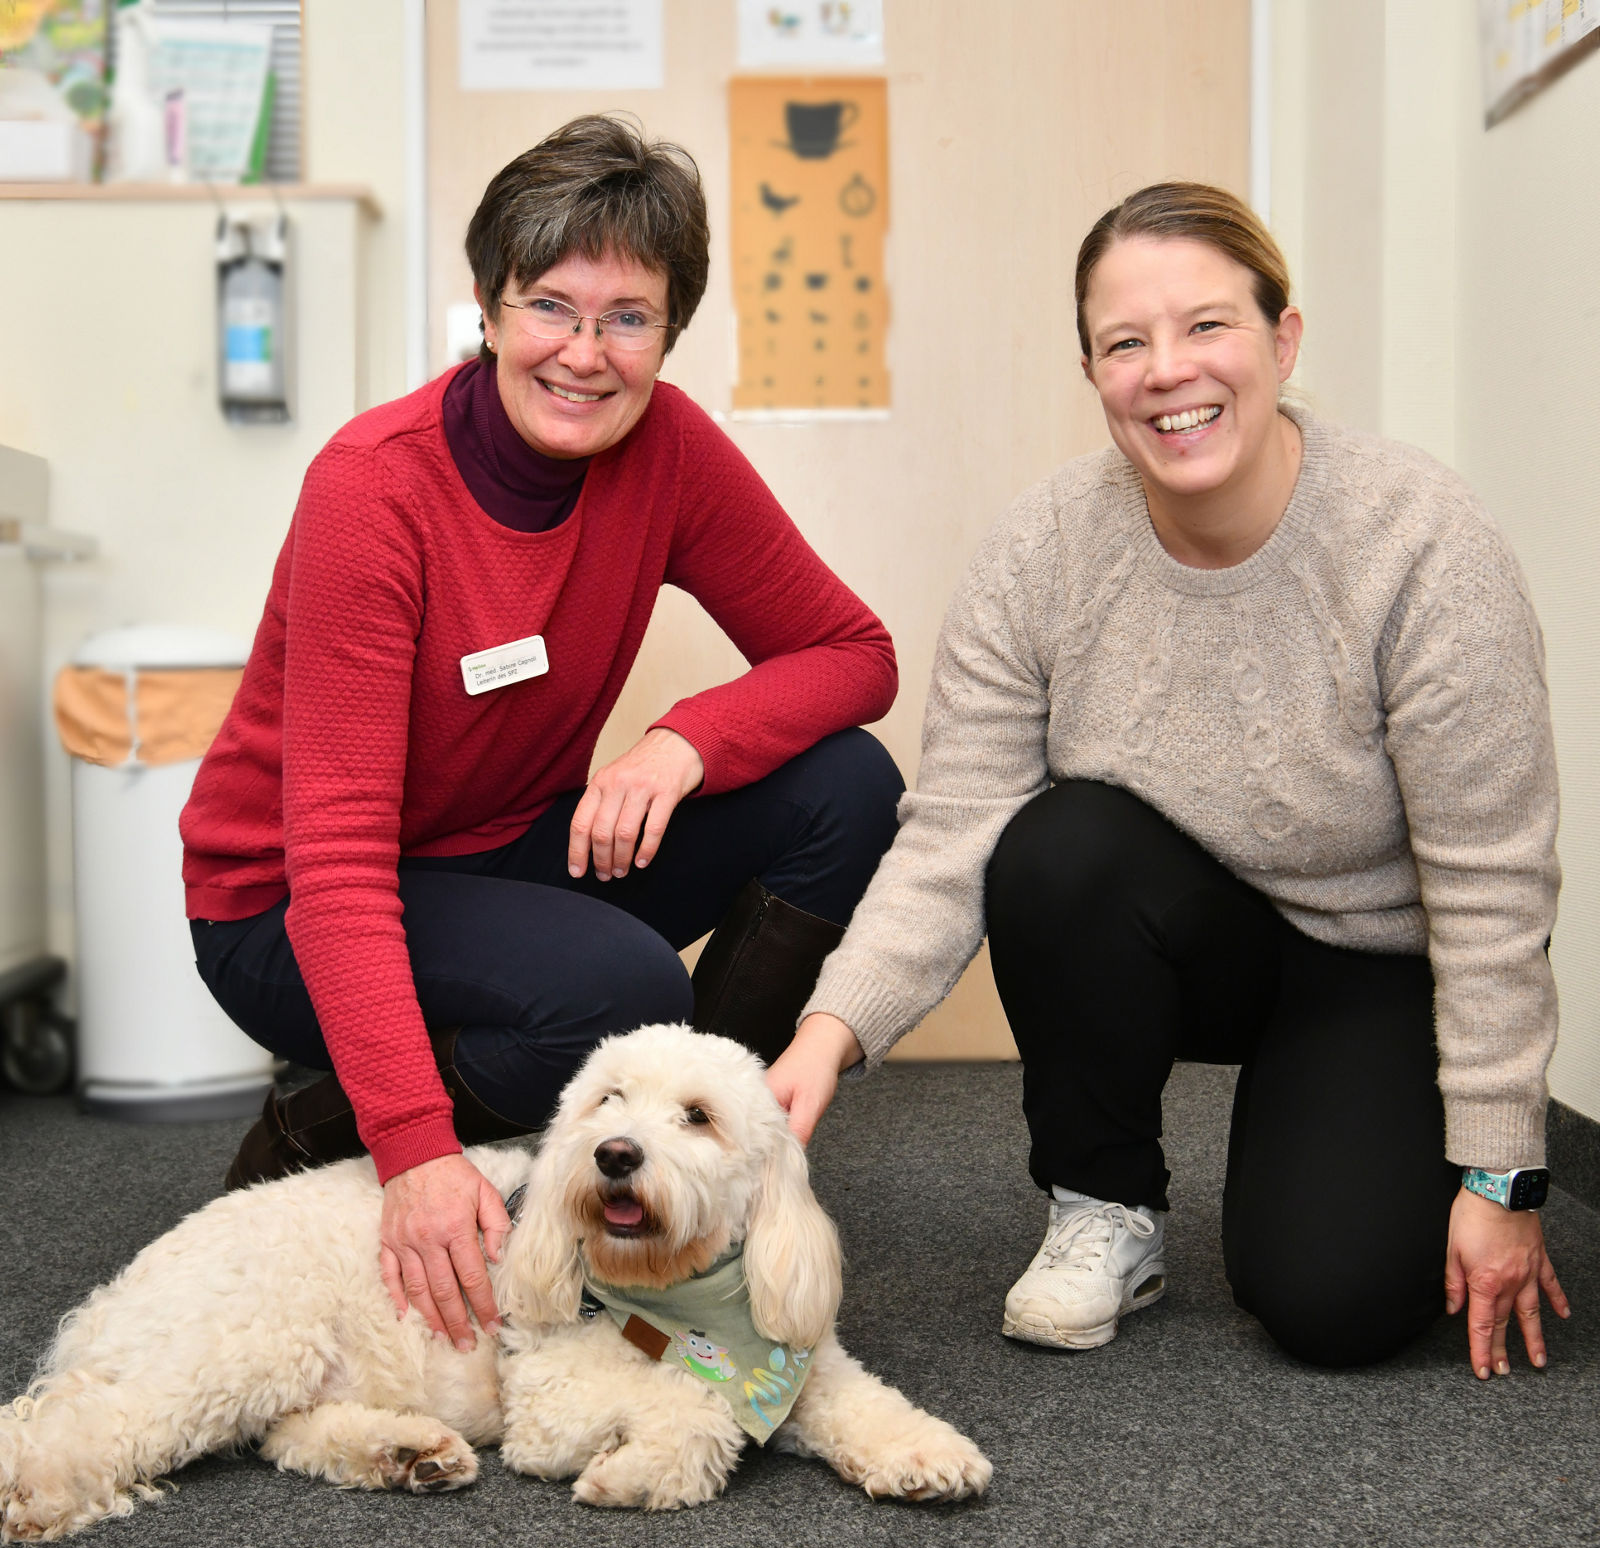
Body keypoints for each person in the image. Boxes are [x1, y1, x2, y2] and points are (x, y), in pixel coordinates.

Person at [767, 181, 1569, 1377]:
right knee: (1053, 843)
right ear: (1090, 369)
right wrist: (822, 1038)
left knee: (1332, 1304)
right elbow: (951, 836)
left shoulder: (1421, 542)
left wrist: (1503, 1170)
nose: (1166, 370)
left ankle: (1335, 1142)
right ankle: (1104, 1206)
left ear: (1282, 339)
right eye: (1124, 342)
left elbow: (1494, 880)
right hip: (1185, 936)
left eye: (1207, 325)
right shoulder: (1038, 552)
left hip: (1378, 959)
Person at [182, 115, 901, 1356]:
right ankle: (321, 1125)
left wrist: (686, 738)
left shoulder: (669, 449)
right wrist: (411, 1145)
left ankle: (674, 1181)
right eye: (549, 307)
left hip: (496, 847)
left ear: (668, 333)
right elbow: (340, 856)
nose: (584, 354)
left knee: (846, 787)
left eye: (628, 317)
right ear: (486, 306)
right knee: (622, 991)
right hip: (284, 905)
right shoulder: (375, 489)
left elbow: (856, 655)